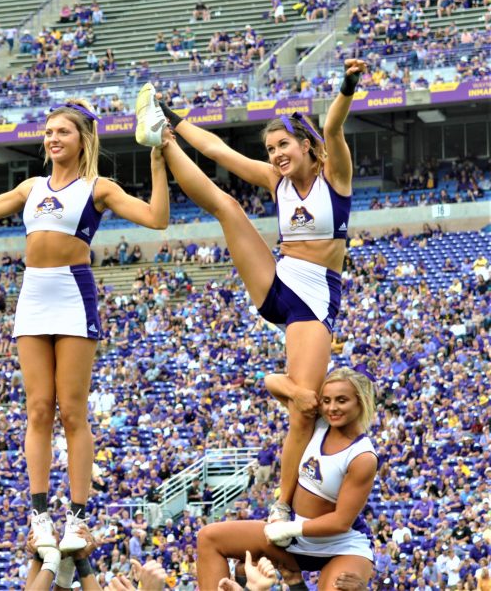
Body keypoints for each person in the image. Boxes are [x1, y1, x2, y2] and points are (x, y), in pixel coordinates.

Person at [0, 93, 170, 552]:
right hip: (34, 294)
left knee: (73, 412)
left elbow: (157, 219)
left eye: (62, 131)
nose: (53, 138)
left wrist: (158, 157)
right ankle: (39, 516)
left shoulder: (99, 188)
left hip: (74, 293)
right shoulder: (30, 187)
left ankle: (77, 519)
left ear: (83, 139)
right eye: (48, 132)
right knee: (38, 410)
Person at [149, 60, 367, 523]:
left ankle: (282, 504)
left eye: (283, 145)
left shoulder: (336, 179)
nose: (275, 155)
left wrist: (347, 83)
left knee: (303, 411)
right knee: (227, 207)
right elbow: (217, 149)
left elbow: (333, 123)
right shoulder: (276, 182)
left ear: (308, 146)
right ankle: (161, 144)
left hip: (313, 301)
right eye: (270, 148)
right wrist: (170, 119)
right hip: (277, 281)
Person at [196, 368, 378, 590]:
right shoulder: (317, 423)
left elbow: (341, 522)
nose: (332, 408)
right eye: (327, 400)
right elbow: (272, 380)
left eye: (342, 400)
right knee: (209, 538)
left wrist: (288, 529)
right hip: (294, 537)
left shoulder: (362, 457)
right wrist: (298, 393)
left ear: (361, 402)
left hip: (340, 546)